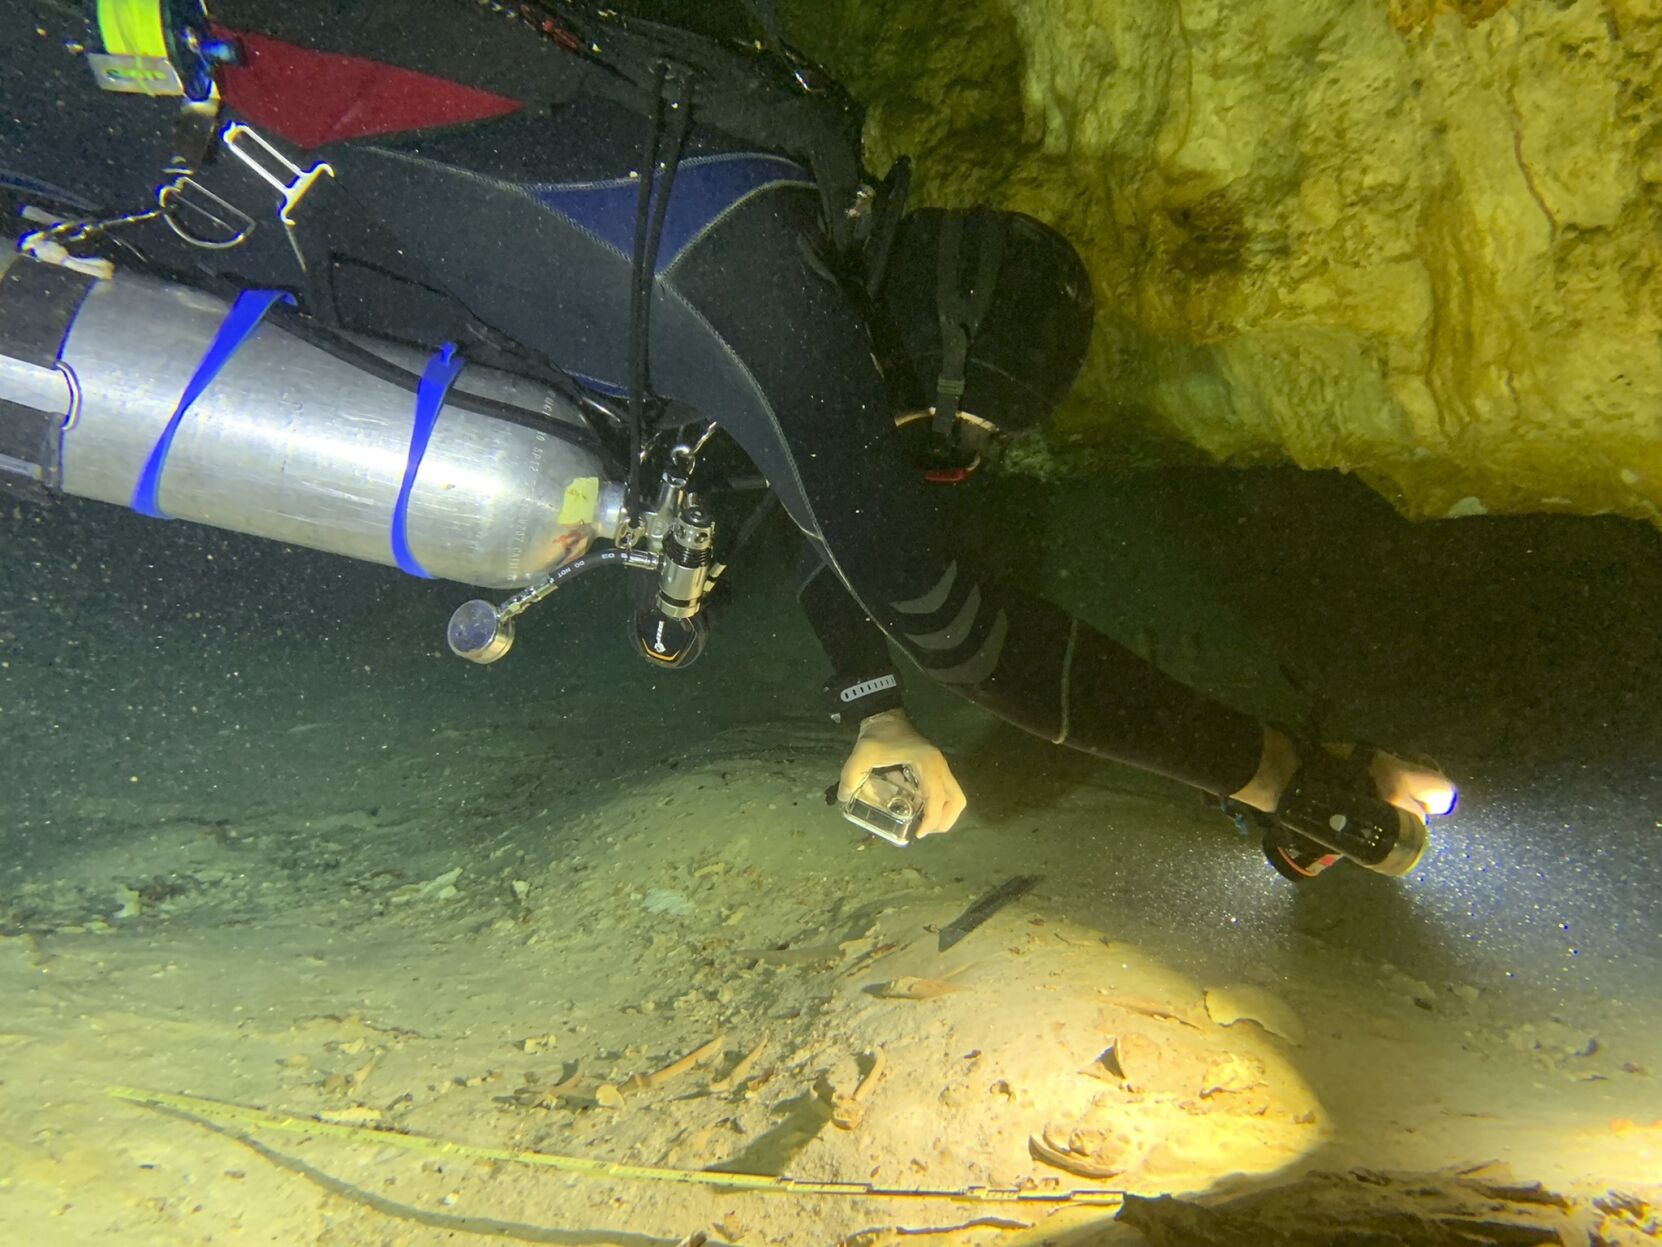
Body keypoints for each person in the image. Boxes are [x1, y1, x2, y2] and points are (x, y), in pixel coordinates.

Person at [1, 0, 1453, 878]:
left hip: (120, 142)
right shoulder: (750, 280)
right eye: (934, 436)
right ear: (924, 355)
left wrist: (871, 711)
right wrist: (1281, 777)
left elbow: (828, 508)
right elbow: (937, 605)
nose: (913, 465)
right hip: (91, 120)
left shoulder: (746, 218)